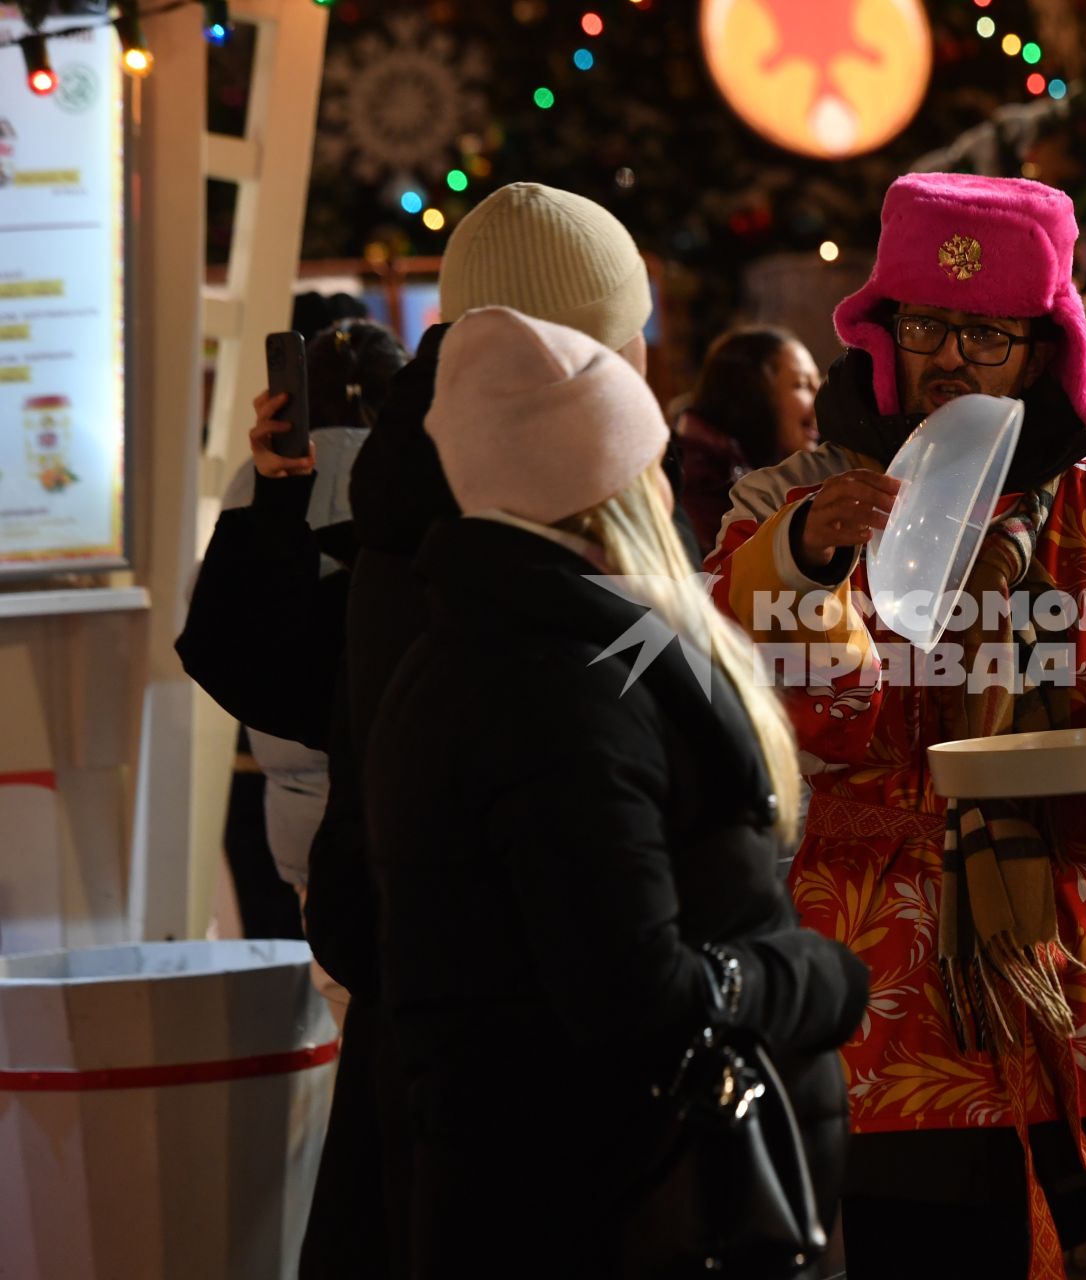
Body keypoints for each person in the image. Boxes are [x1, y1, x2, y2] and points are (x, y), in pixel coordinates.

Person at [708, 173, 1086, 1280]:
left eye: (984, 336)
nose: (948, 359)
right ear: (882, 331)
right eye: (927, 325)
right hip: (897, 962)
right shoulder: (788, 501)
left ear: (1041, 349)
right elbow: (778, 721)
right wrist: (799, 570)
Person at [363, 306, 865, 1277]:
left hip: (570, 1198)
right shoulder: (562, 684)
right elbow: (637, 991)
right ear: (610, 482)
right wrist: (814, 977)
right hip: (629, 1209)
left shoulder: (477, 646)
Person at [297, 182, 656, 1279]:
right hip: (546, 1065)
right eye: (623, 340)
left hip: (432, 1035)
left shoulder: (402, 499)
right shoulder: (520, 540)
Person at [178, 319, 409, 892]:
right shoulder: (415, 478)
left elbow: (219, 626)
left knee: (333, 969)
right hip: (407, 796)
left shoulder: (255, 484)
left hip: (294, 804)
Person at [675, 325, 821, 556]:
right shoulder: (699, 484)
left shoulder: (776, 476)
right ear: (751, 394)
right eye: (802, 385)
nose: (820, 401)